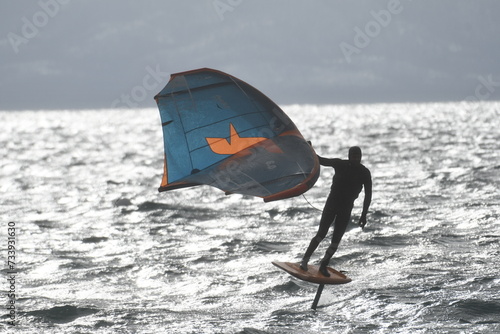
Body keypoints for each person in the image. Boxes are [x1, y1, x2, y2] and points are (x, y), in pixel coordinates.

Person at [300, 146, 372, 277]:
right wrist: (308, 149)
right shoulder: (340, 164)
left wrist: (364, 214)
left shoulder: (364, 173)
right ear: (349, 156)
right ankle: (304, 260)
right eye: (353, 156)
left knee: (336, 240)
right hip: (332, 204)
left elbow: (368, 195)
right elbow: (321, 160)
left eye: (358, 156)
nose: (356, 159)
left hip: (346, 208)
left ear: (361, 157)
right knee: (321, 234)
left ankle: (323, 265)